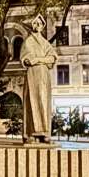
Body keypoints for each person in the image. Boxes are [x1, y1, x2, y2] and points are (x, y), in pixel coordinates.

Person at [20, 14, 57, 144]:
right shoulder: (28, 41)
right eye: (35, 23)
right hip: (33, 75)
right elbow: (27, 59)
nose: (37, 26)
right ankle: (32, 133)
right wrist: (40, 60)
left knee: (44, 102)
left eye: (40, 24)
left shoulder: (45, 42)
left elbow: (53, 57)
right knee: (33, 102)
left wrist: (39, 59)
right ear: (32, 25)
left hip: (44, 75)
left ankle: (45, 133)